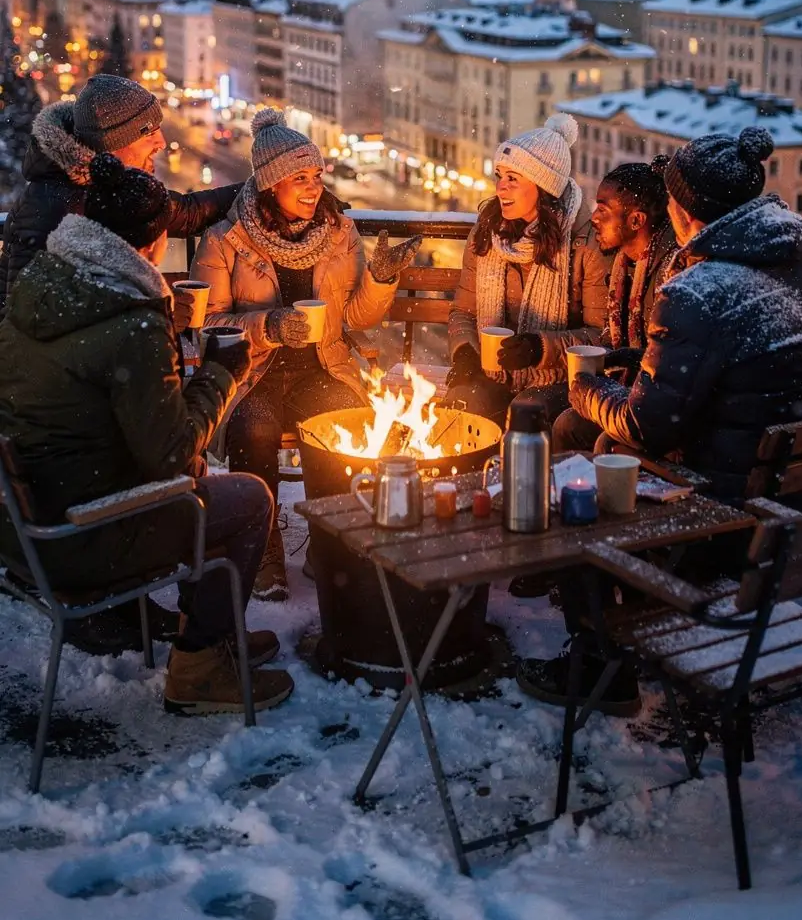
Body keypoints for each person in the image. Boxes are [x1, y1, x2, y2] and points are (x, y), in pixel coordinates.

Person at [517, 127, 802, 715]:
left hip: (721, 518)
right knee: (598, 442)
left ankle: (599, 663)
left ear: (681, 210)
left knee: (583, 478)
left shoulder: (700, 290)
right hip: (793, 514)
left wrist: (583, 387)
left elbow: (651, 426)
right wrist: (636, 362)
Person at [0, 152, 294, 714]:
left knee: (207, 490)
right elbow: (175, 456)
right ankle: (200, 667)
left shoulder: (43, 286)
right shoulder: (131, 320)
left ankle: (214, 637)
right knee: (247, 499)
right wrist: (219, 373)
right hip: (80, 537)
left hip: (23, 528)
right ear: (153, 245)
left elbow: (90, 398)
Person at [192, 108, 422, 600]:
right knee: (253, 427)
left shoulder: (338, 231)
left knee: (339, 419)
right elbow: (207, 328)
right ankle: (263, 548)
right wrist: (269, 325)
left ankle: (330, 539)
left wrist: (381, 278)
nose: (314, 187)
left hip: (322, 363)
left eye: (316, 176)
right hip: (254, 372)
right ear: (271, 184)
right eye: (300, 178)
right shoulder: (225, 240)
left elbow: (356, 319)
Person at [0, 74, 241, 314]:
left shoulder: (116, 188)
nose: (162, 142)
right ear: (113, 144)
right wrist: (151, 313)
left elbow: (188, 212)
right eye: (149, 133)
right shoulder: (51, 208)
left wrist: (261, 185)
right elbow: (34, 316)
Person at [446, 113, 608, 428]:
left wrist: (538, 348)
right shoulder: (487, 232)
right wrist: (465, 352)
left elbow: (600, 337)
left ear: (544, 187)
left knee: (526, 411)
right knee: (459, 406)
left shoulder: (583, 242)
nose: (500, 188)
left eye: (513, 179)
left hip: (559, 380)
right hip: (495, 373)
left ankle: (522, 477)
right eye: (499, 176)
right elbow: (463, 312)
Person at [550, 157, 676, 455]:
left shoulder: (671, 272)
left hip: (654, 412)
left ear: (636, 221)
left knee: (569, 425)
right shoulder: (622, 265)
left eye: (603, 210)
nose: (593, 217)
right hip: (636, 396)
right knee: (567, 420)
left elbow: (665, 364)